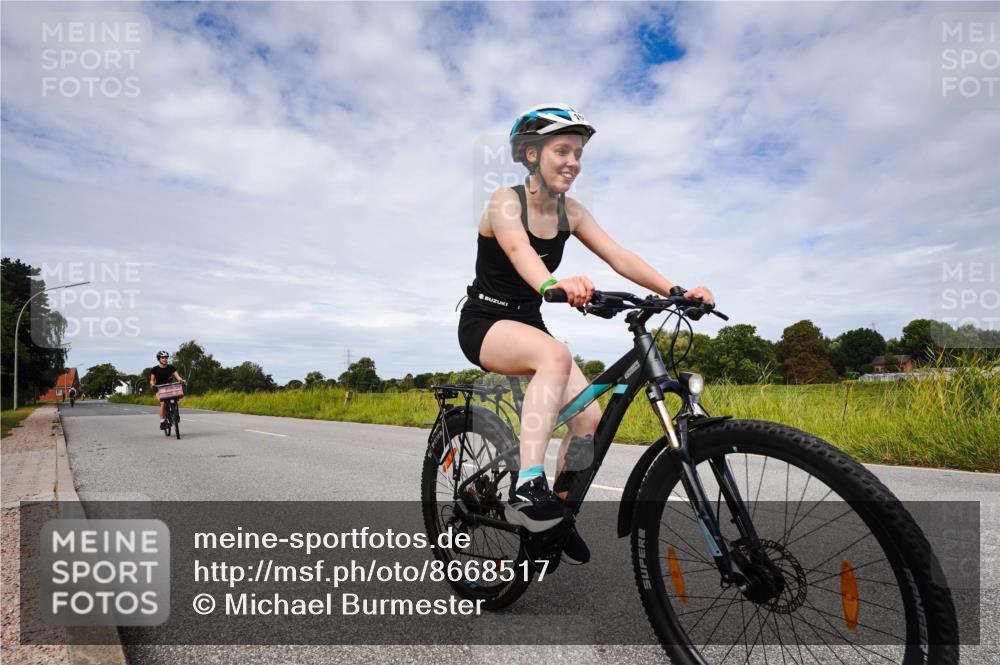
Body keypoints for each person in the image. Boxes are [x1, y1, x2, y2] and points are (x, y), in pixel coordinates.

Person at [458, 104, 715, 565]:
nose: (573, 162)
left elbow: (620, 256)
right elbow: (519, 251)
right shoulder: (504, 202)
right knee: (555, 356)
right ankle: (526, 488)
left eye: (578, 153)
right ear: (531, 155)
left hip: (529, 323)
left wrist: (677, 291)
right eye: (562, 150)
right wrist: (553, 286)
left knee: (587, 422)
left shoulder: (570, 212)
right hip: (486, 321)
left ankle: (551, 515)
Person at [150, 351, 185, 429]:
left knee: (176, 399)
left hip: (170, 387)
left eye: (166, 358)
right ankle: (162, 421)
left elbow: (177, 376)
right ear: (159, 359)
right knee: (163, 403)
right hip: (160, 388)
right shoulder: (154, 369)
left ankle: (176, 414)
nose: (165, 359)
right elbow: (152, 380)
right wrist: (153, 384)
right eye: (163, 358)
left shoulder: (171, 367)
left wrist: (181, 380)